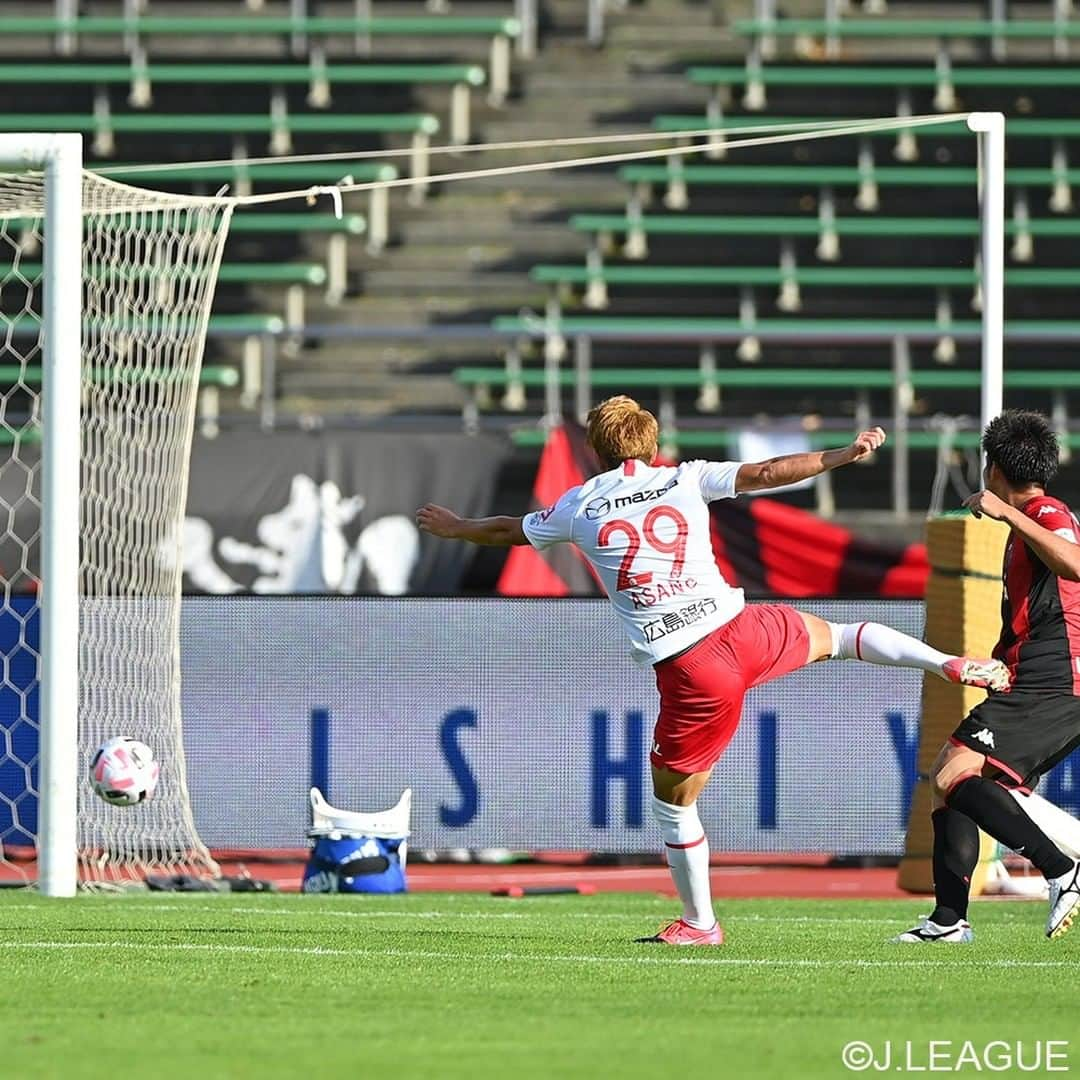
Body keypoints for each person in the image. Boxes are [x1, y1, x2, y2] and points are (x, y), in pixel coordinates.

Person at [416, 396, 1009, 946]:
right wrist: (841, 455)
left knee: (673, 804)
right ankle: (944, 662)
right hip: (742, 628)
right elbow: (769, 472)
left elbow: (507, 531)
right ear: (652, 447)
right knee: (845, 636)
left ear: (596, 452)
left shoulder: (579, 505)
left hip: (692, 666)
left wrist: (455, 527)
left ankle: (700, 922)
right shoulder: (683, 476)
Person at [895, 409, 1080, 944]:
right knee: (948, 779)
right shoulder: (1032, 522)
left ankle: (1061, 871)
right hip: (1038, 675)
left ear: (992, 468)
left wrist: (1006, 513)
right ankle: (949, 920)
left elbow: (1074, 562)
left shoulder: (1047, 512)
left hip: (1056, 680)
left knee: (953, 775)